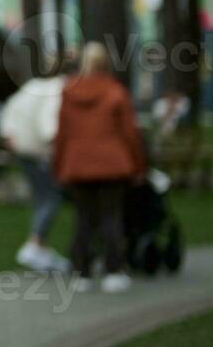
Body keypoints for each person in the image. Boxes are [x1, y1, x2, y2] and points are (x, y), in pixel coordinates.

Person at [52, 42, 146, 293]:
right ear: (106, 64)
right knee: (111, 217)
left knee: (82, 218)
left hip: (77, 164)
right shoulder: (116, 92)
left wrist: (59, 165)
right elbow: (130, 134)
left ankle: (81, 273)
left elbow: (62, 133)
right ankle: (113, 271)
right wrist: (138, 166)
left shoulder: (68, 92)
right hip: (112, 165)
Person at [0, 56, 71, 272]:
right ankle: (35, 243)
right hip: (40, 152)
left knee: (41, 198)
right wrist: (55, 144)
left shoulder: (31, 87)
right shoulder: (57, 89)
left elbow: (10, 111)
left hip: (23, 149)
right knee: (51, 198)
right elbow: (48, 125)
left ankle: (40, 246)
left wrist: (9, 135)